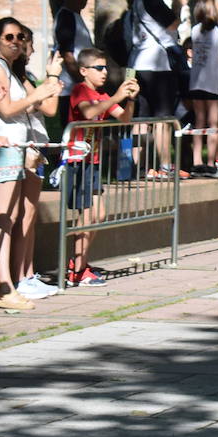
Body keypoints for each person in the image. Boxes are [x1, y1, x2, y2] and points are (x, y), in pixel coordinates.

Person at [0, 17, 61, 309]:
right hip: (5, 147)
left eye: (21, 37)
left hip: (13, 147)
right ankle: (3, 286)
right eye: (9, 37)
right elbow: (8, 109)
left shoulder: (8, 70)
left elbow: (43, 107)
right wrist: (36, 95)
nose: (16, 42)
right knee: (4, 217)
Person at [66, 48, 139, 287]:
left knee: (98, 214)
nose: (105, 72)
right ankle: (77, 269)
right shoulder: (80, 90)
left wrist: (130, 98)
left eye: (106, 67)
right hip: (78, 160)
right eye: (99, 68)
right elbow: (88, 112)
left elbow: (124, 118)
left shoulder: (103, 94)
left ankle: (79, 264)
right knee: (87, 215)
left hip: (93, 161)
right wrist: (116, 97)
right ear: (84, 70)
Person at [129, 0, 187, 180]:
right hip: (157, 66)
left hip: (139, 65)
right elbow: (172, 24)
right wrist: (179, 6)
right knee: (163, 118)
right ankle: (165, 165)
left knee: (142, 118)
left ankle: (137, 167)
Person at [185, 0, 218, 177]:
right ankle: (210, 161)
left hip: (196, 80)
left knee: (199, 121)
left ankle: (196, 161)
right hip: (212, 81)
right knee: (212, 122)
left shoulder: (194, 30)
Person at [54, 0, 95, 129]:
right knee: (74, 138)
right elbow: (67, 55)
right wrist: (83, 83)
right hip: (72, 90)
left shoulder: (74, 16)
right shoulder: (67, 16)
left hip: (79, 89)